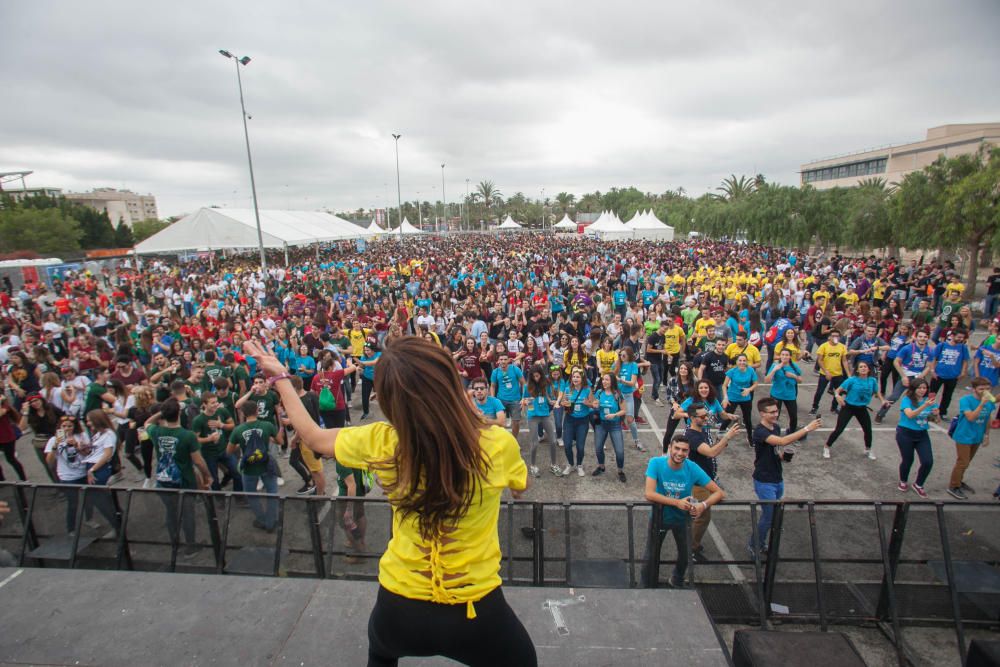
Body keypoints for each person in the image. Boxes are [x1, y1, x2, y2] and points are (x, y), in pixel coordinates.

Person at [243, 336, 536, 667]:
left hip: (399, 604)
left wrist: (281, 377)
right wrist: (477, 421)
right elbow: (520, 488)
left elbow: (313, 437)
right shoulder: (496, 443)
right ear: (452, 384)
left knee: (382, 652)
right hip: (474, 607)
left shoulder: (381, 441)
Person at [643, 434, 725, 588]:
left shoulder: (692, 467)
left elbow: (719, 492)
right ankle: (646, 585)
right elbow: (649, 493)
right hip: (659, 518)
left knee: (686, 555)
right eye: (677, 449)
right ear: (669, 448)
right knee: (650, 556)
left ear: (688, 452)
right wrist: (677, 503)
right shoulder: (656, 463)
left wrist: (703, 505)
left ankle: (677, 579)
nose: (680, 453)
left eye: (684, 450)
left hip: (682, 520)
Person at [748, 397, 821, 556]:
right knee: (769, 516)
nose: (776, 414)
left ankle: (761, 543)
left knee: (772, 516)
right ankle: (754, 545)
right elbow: (782, 440)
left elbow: (775, 448)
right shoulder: (760, 431)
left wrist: (782, 457)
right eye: (772, 412)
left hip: (777, 478)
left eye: (776, 411)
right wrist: (807, 429)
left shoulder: (775, 427)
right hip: (764, 480)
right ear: (762, 414)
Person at [145, 399, 211, 555]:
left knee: (171, 513)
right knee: (188, 513)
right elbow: (198, 461)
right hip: (185, 480)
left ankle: (175, 543)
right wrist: (207, 476)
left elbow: (147, 422)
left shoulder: (156, 431)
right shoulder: (187, 436)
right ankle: (191, 545)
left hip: (163, 480)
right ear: (179, 414)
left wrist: (163, 411)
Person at [684, 403, 742, 562]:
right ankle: (691, 549)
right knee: (701, 517)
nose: (705, 418)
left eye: (706, 415)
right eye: (702, 416)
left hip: (706, 480)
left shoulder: (701, 431)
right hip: (699, 484)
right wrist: (726, 437)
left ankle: (692, 545)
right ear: (692, 418)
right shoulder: (692, 436)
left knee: (702, 516)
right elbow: (710, 452)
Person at [228, 401, 281, 532]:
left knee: (252, 496)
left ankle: (262, 520)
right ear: (257, 411)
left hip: (249, 468)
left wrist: (241, 445)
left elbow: (229, 451)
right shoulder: (267, 425)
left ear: (243, 413)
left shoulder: (238, 430)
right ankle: (271, 522)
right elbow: (280, 441)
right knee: (272, 493)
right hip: (266, 464)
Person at [823, 360, 884, 460]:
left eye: (865, 366)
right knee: (839, 429)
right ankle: (827, 446)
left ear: (869, 369)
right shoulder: (852, 380)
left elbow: (877, 392)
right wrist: (838, 396)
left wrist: (883, 401)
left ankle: (868, 449)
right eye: (861, 367)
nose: (863, 368)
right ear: (857, 370)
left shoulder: (872, 380)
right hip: (849, 407)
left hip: (862, 408)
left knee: (868, 430)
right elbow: (837, 391)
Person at [946, 377, 994, 500]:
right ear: (974, 389)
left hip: (977, 436)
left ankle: (959, 481)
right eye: (981, 389)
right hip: (964, 435)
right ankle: (953, 486)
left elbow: (988, 418)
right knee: (963, 462)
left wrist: (986, 435)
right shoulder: (966, 400)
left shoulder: (989, 402)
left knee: (967, 461)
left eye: (987, 389)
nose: (985, 391)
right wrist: (982, 403)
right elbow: (971, 417)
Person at [895, 378, 938, 499]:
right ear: (913, 389)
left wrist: (935, 414)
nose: (922, 390)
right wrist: (925, 405)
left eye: (924, 388)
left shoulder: (930, 401)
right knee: (908, 460)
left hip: (922, 433)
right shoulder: (907, 400)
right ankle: (903, 480)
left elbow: (934, 419)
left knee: (927, 461)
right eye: (919, 388)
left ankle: (919, 484)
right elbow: (910, 415)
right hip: (905, 433)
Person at [522, 363, 560, 478]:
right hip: (533, 415)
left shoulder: (546, 383)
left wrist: (551, 401)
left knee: (553, 441)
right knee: (534, 443)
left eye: (538, 376)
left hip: (545, 414)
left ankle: (553, 465)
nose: (536, 378)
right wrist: (526, 401)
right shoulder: (527, 386)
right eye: (534, 376)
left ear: (541, 375)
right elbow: (523, 400)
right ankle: (533, 466)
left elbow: (547, 396)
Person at [588, 372, 628, 482]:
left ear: (612, 382)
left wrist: (614, 415)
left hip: (615, 425)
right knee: (598, 448)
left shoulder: (617, 394)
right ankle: (601, 467)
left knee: (619, 451)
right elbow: (595, 404)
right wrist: (594, 405)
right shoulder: (599, 393)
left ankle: (620, 471)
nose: (604, 382)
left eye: (607, 380)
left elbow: (624, 410)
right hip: (601, 424)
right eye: (603, 379)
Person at [929, 328, 970, 419]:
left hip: (953, 376)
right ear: (952, 336)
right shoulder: (942, 345)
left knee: (947, 396)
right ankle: (929, 410)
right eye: (959, 337)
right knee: (932, 393)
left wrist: (963, 372)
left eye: (962, 338)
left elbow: (965, 360)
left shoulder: (963, 347)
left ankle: (942, 412)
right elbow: (934, 358)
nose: (960, 339)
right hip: (938, 374)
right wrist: (932, 371)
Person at [810, 329, 849, 416]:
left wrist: (848, 374)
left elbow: (844, 361)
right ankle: (814, 407)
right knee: (820, 391)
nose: (835, 338)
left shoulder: (842, 347)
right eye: (833, 336)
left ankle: (834, 408)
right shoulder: (823, 346)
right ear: (829, 337)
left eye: (837, 336)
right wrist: (826, 371)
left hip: (838, 373)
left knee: (839, 392)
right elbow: (819, 360)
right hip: (825, 374)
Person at [765, 348, 802, 435]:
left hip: (790, 395)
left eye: (787, 355)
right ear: (780, 356)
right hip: (776, 395)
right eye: (783, 355)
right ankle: (772, 433)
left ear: (790, 356)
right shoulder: (775, 365)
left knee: (793, 416)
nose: (784, 357)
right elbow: (766, 380)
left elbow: (800, 380)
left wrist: (793, 376)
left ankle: (791, 433)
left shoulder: (794, 366)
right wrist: (774, 370)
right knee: (774, 416)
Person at [722, 354, 757, 442]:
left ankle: (750, 437)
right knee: (727, 418)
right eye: (740, 360)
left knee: (748, 419)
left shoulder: (751, 370)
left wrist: (749, 389)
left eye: (744, 360)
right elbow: (724, 385)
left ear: (746, 362)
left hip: (745, 398)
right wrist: (726, 397)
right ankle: (720, 436)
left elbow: (755, 383)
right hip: (732, 397)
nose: (742, 362)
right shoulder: (732, 371)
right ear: (737, 362)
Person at [490, 353, 525, 438]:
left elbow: (524, 383)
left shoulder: (515, 369)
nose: (503, 361)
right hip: (501, 400)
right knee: (499, 422)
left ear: (508, 360)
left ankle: (514, 439)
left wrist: (523, 398)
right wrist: (493, 399)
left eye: (505, 359)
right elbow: (493, 386)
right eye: (501, 359)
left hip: (515, 400)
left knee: (516, 422)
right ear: (498, 361)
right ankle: (502, 439)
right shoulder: (495, 372)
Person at [0, 396, 26, 481]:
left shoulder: (4, 405)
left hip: (7, 437)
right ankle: (1, 480)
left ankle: (23, 479)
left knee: (11, 459)